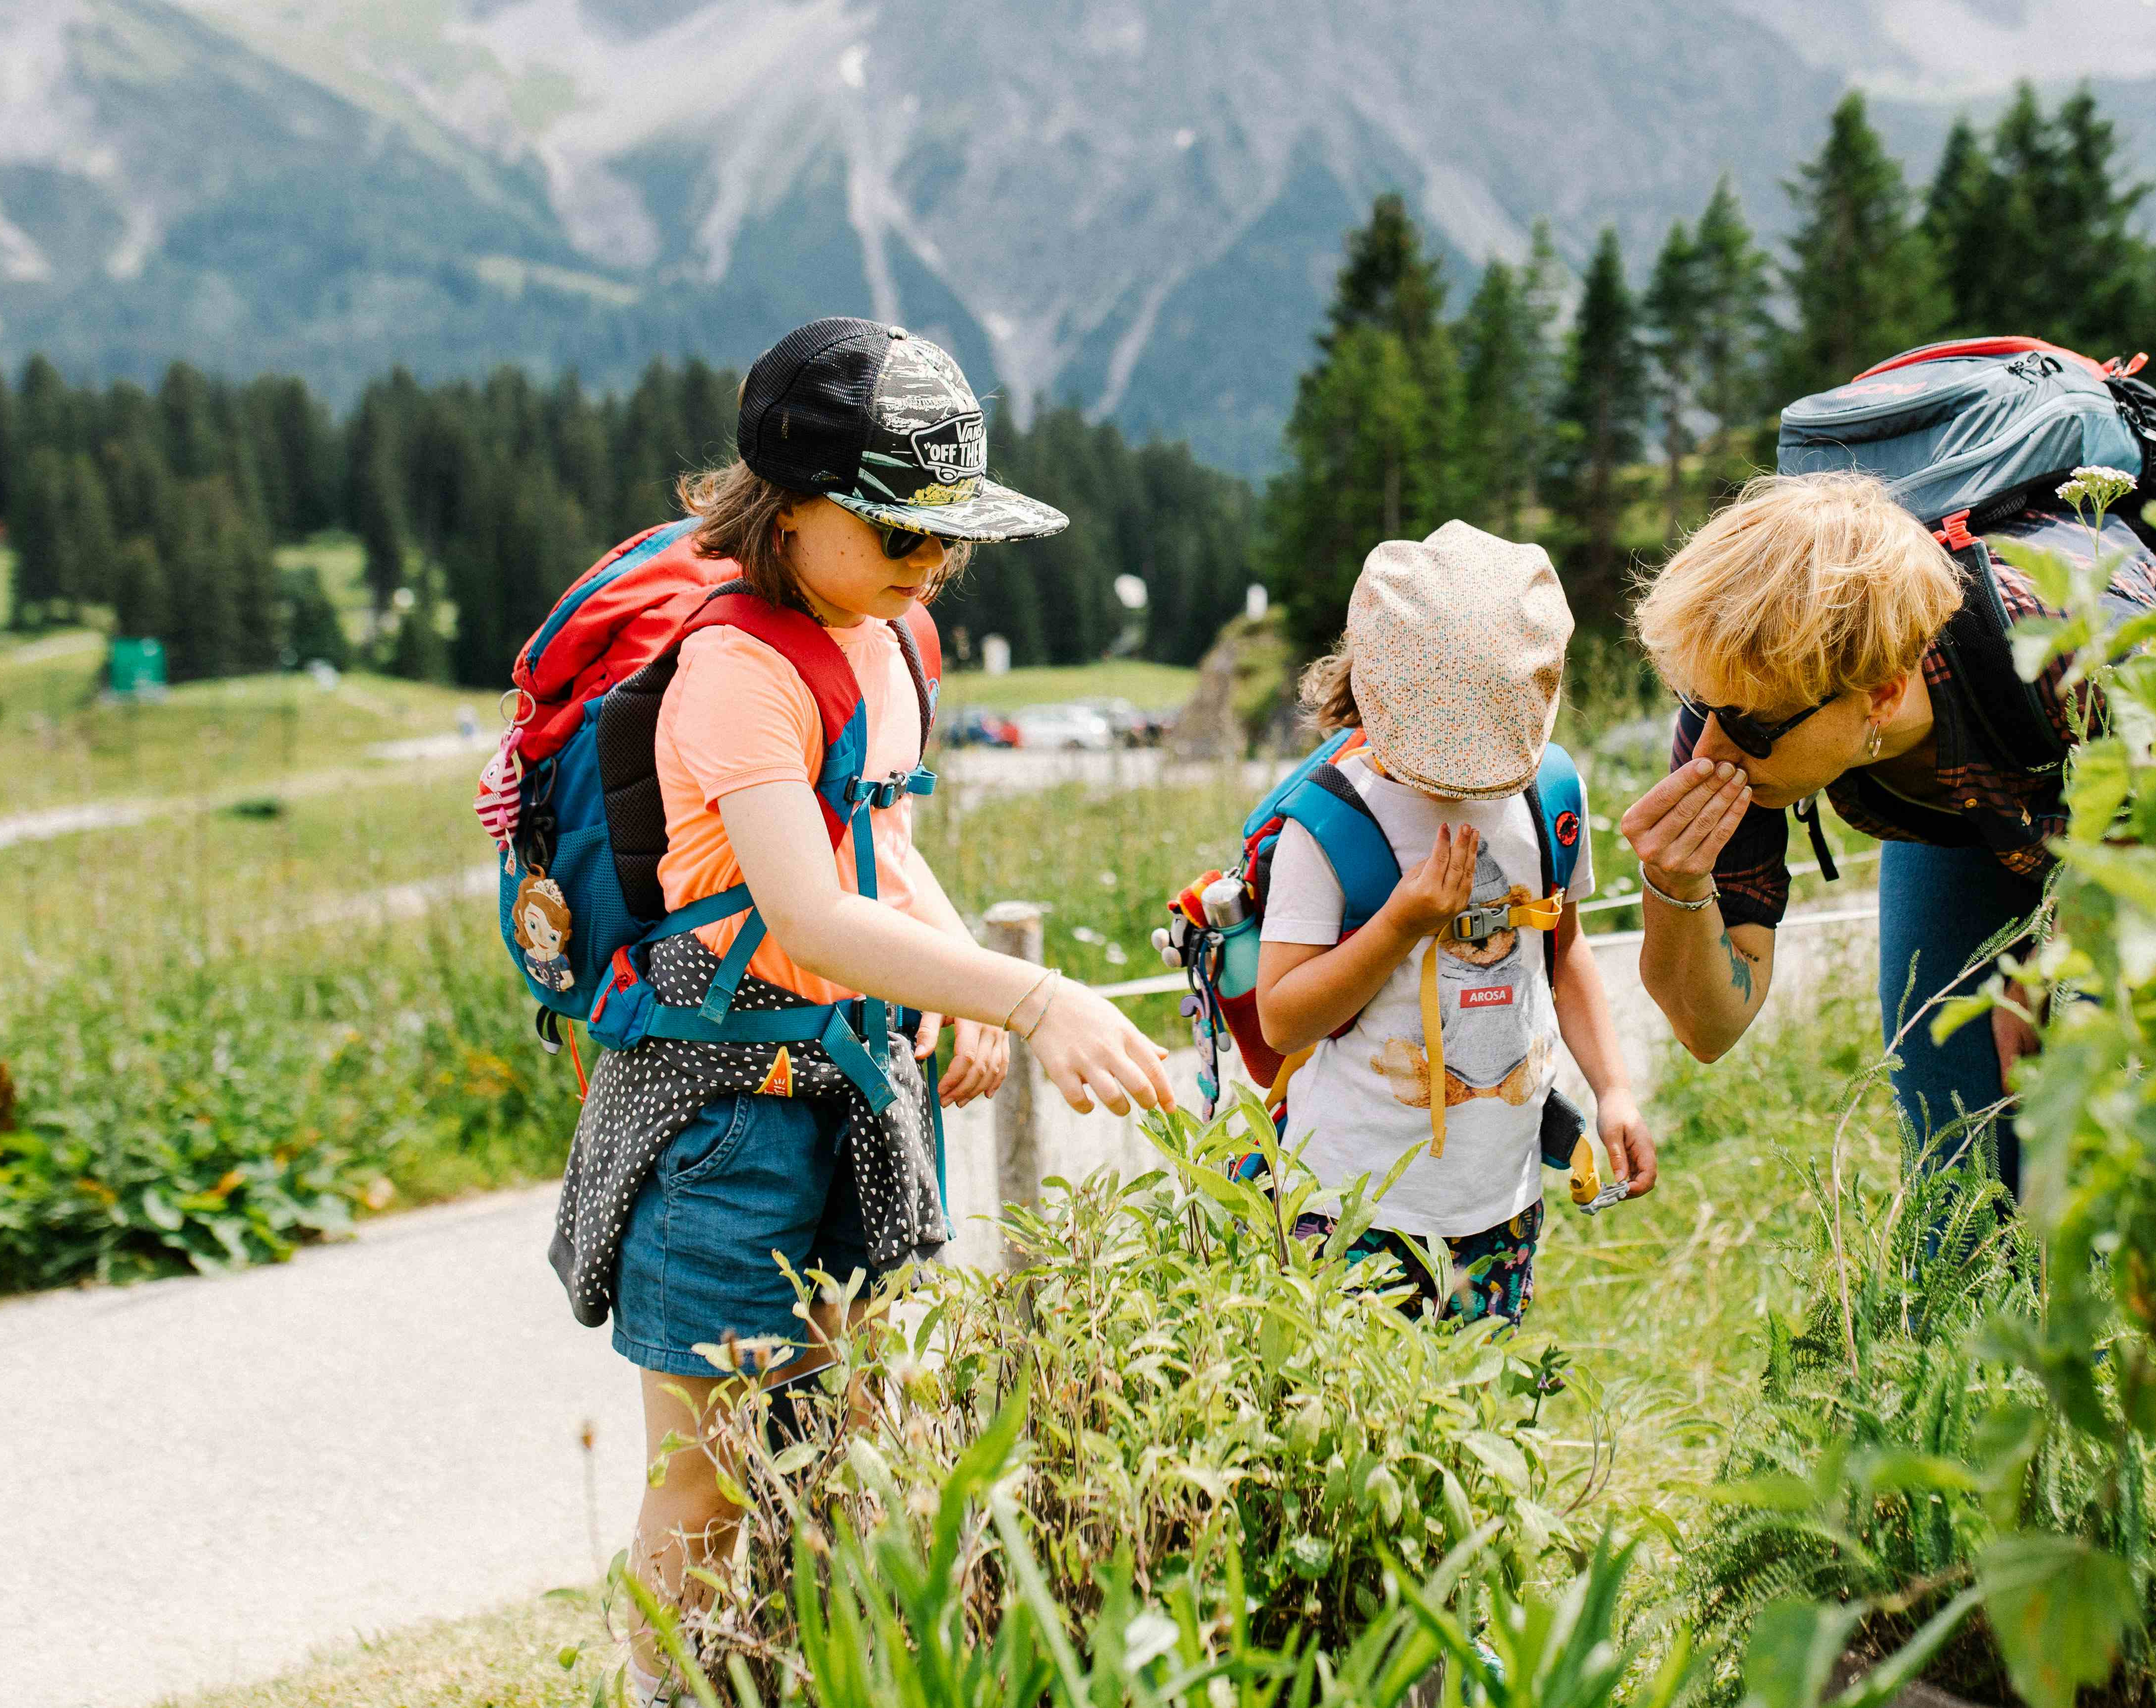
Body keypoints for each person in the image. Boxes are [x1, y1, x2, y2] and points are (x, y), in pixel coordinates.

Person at [545, 317, 1176, 1706]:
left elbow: (873, 848)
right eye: (901, 533)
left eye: (949, 537)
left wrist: (947, 975)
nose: (931, 564)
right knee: (703, 1477)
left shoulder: (877, 641)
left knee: (849, 1438)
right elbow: (808, 914)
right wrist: (1025, 991)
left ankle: (805, 1677)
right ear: (788, 504)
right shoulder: (735, 672)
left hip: (850, 1092)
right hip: (715, 1119)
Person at [1615, 472, 2156, 1195]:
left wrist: (2055, 964)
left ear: (1883, 694)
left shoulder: (2073, 650)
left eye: (1745, 724)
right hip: (1959, 811)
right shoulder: (1741, 701)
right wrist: (1673, 884)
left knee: (2130, 1129)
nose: (1708, 751)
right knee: (1950, 1136)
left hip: (2147, 801)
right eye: (1696, 705)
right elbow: (1710, 1030)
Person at [1253, 521, 1659, 1326]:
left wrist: (1613, 1091)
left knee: (1474, 1416)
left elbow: (1563, 956)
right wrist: (1401, 923)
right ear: (1378, 688)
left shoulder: (1546, 794)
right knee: (1355, 1434)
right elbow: (1283, 1017)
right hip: (1353, 1205)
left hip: (1501, 1200)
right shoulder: (1330, 824)